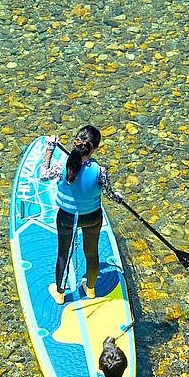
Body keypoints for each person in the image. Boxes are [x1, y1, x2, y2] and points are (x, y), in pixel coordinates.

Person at [41, 123, 109, 302]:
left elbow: (43, 174)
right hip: (92, 218)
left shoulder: (62, 164)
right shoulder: (101, 171)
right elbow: (109, 194)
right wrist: (118, 196)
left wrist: (49, 149)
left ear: (76, 142)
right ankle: (91, 289)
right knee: (92, 253)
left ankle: (60, 294)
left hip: (67, 218)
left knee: (63, 253)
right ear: (94, 148)